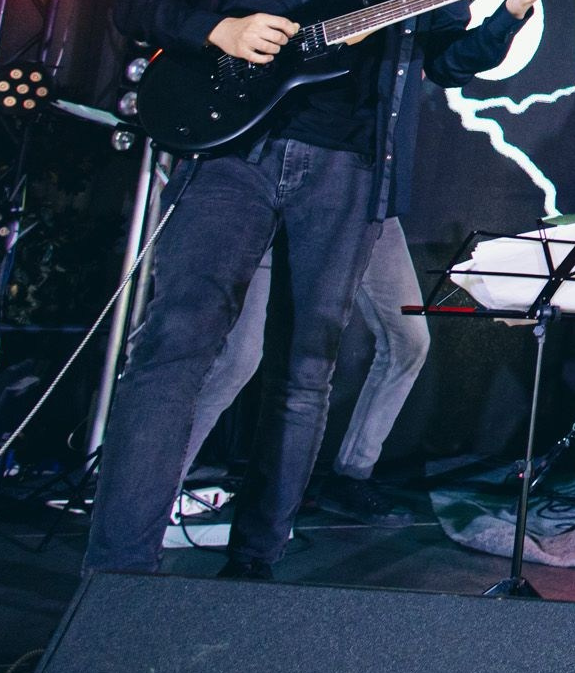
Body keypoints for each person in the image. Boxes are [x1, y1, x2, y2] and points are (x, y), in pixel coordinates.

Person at [87, 0, 554, 579]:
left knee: (305, 371)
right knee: (177, 344)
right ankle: (117, 572)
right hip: (234, 151)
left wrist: (513, 9)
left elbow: (451, 61)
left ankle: (257, 564)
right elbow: (138, 3)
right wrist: (219, 31)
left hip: (346, 167)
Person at [179, 217, 431, 527]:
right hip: (290, 210)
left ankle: (351, 474)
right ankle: (158, 487)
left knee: (408, 342)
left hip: (372, 211)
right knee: (238, 360)